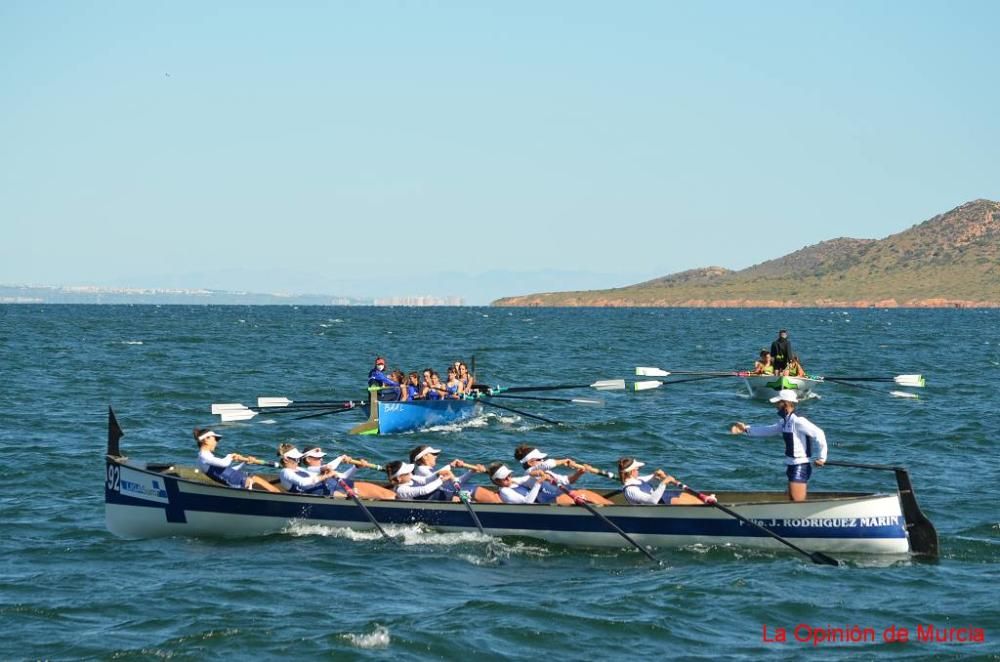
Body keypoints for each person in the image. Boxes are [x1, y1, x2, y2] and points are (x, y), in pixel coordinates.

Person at [730, 389, 827, 502]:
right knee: (793, 500)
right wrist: (745, 430)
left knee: (797, 502)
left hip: (800, 465)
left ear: (785, 403)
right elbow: (768, 430)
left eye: (778, 403)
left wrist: (822, 457)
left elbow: (819, 433)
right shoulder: (785, 421)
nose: (775, 405)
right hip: (791, 464)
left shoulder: (798, 421)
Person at [513, 445, 613, 505]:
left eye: (542, 459)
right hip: (548, 502)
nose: (543, 460)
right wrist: (564, 460)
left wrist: (580, 472)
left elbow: (567, 481)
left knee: (585, 492)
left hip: (564, 495)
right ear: (530, 463)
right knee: (570, 496)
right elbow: (549, 464)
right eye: (540, 459)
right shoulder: (529, 473)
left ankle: (611, 508)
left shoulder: (547, 472)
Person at [194, 428, 280, 492]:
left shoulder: (207, 456)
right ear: (206, 440)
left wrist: (244, 462)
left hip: (245, 479)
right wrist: (230, 456)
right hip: (242, 482)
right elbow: (224, 464)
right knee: (276, 492)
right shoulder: (203, 457)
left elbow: (230, 471)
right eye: (215, 439)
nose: (217, 442)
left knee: (275, 491)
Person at [408, 445, 501, 503]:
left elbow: (455, 482)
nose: (436, 456)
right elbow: (453, 484)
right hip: (446, 495)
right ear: (425, 457)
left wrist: (471, 472)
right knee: (485, 494)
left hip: (454, 491)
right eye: (433, 454)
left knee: (494, 496)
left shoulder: (429, 469)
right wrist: (451, 465)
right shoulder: (421, 470)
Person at [300, 447, 395, 499]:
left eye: (321, 457)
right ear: (308, 459)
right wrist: (341, 458)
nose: (322, 459)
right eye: (318, 457)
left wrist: (356, 467)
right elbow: (329, 466)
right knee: (387, 495)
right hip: (342, 491)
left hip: (344, 487)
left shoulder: (324, 470)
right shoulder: (310, 470)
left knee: (388, 493)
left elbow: (344, 476)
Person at [617, 457, 706, 505]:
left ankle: (706, 501)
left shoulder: (637, 480)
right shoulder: (630, 490)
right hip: (656, 506)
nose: (638, 470)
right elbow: (652, 501)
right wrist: (664, 483)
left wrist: (656, 474)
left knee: (685, 495)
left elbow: (649, 479)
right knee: (689, 502)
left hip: (662, 497)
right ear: (632, 471)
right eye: (637, 469)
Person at [385, 460, 459, 501]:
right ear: (399, 478)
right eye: (408, 472)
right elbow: (424, 490)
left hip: (437, 497)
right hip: (427, 505)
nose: (411, 473)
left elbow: (425, 480)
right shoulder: (401, 490)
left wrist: (439, 473)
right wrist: (441, 480)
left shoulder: (410, 477)